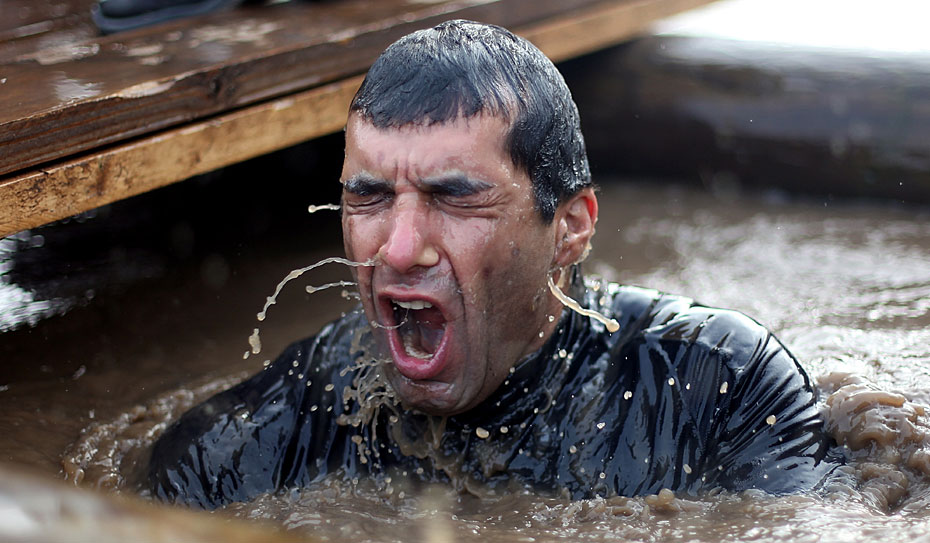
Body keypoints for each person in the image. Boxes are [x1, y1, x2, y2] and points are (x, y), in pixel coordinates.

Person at [147, 20, 840, 509]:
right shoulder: (279, 423)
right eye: (369, 196)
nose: (398, 248)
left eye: (455, 197)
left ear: (570, 228)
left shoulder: (723, 388)